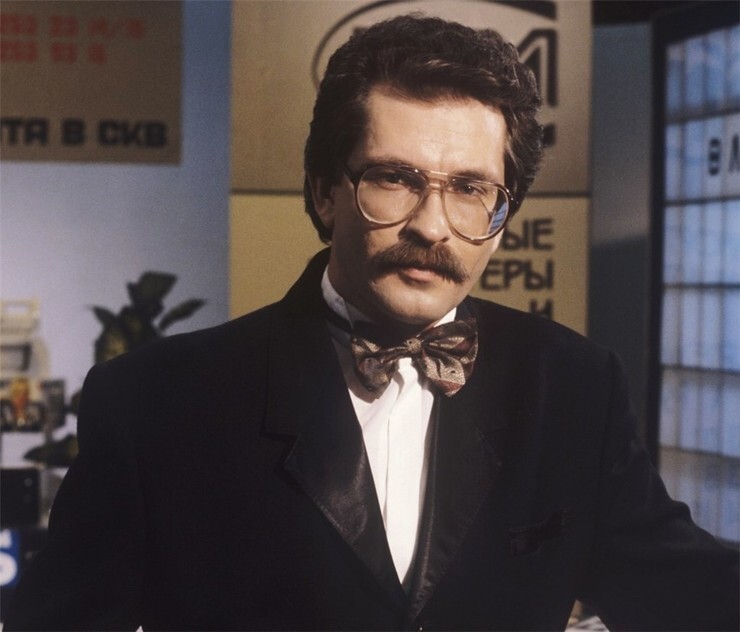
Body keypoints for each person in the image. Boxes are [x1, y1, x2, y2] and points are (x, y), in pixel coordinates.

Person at [5, 14, 738, 632]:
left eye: (471, 190)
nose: (432, 226)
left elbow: (685, 590)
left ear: (503, 214)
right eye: (395, 178)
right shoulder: (156, 402)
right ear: (324, 191)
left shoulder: (574, 385)